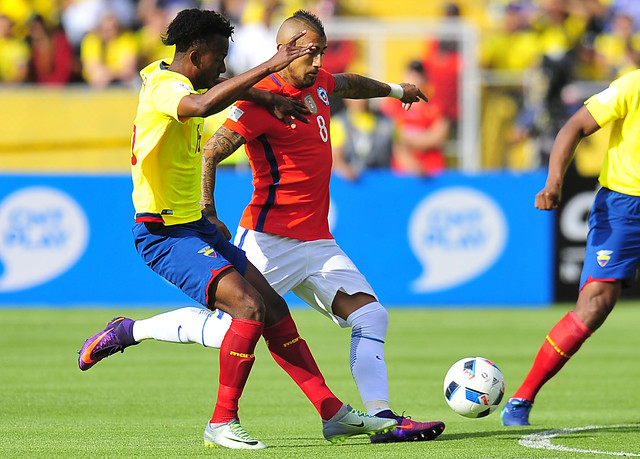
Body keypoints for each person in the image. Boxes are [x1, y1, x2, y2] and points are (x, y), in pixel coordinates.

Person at [77, 8, 396, 450]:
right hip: (164, 234)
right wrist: (273, 65)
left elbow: (218, 100)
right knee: (245, 312)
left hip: (195, 227)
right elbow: (203, 107)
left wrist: (268, 98)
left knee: (275, 313)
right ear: (196, 55)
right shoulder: (166, 87)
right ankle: (221, 422)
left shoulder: (181, 79)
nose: (223, 66)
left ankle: (332, 412)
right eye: (220, 58)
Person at [200, 10, 446, 444]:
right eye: (310, 53)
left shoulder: (321, 84)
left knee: (371, 314)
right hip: (267, 239)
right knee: (228, 329)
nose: (317, 63)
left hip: (317, 241)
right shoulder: (260, 100)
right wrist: (207, 208)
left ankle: (383, 420)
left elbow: (350, 83)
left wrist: (395, 90)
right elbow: (210, 152)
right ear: (284, 51)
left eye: (322, 53)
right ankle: (131, 330)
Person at [502, 68, 640, 426]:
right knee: (595, 304)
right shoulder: (633, 84)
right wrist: (553, 182)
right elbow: (574, 126)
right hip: (626, 207)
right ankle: (521, 399)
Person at [382, 60, 449, 177]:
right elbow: (392, 138)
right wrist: (409, 162)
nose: (415, 79)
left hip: (431, 169)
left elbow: (438, 137)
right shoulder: (392, 106)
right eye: (412, 75)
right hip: (402, 170)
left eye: (419, 76)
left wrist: (408, 139)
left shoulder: (435, 106)